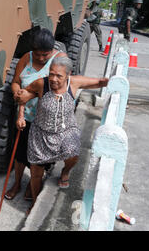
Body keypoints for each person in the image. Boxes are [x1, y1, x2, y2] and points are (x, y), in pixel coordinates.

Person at [16, 57, 108, 213]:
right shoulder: (41, 83)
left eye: (58, 76)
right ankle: (34, 202)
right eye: (51, 74)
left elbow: (99, 83)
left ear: (68, 75)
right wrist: (20, 116)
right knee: (35, 173)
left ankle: (65, 171)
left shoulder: (74, 83)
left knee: (73, 153)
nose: (53, 79)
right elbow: (22, 96)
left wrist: (108, 81)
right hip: (41, 133)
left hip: (66, 130)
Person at [5, 28, 67, 201]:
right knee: (20, 155)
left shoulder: (61, 60)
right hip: (24, 117)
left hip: (45, 122)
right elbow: (16, 82)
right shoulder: (27, 57)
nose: (40, 58)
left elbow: (60, 90)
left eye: (45, 55)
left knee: (37, 161)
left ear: (52, 50)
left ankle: (32, 187)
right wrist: (17, 92)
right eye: (37, 54)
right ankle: (17, 183)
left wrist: (29, 94)